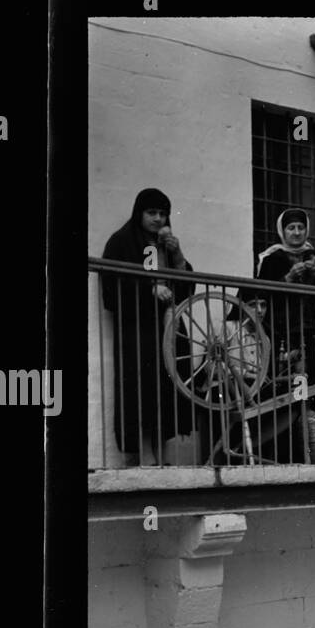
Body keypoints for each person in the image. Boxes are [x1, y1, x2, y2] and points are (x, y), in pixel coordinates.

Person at [101, 188, 195, 461]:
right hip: (138, 331)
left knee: (166, 392)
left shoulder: (166, 244)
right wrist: (149, 289)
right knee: (141, 392)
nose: (158, 219)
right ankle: (144, 457)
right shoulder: (122, 241)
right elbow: (112, 286)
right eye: (151, 212)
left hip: (167, 328)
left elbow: (186, 288)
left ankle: (161, 455)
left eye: (163, 214)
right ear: (139, 213)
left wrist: (177, 256)